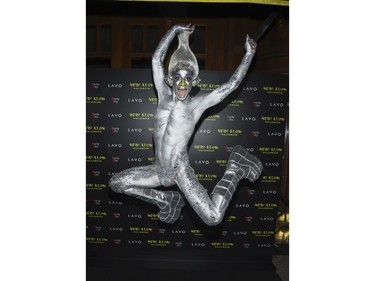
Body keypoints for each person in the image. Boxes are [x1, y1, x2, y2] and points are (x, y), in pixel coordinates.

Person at [109, 24, 262, 226]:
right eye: (178, 78)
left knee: (213, 217)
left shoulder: (196, 105)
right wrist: (173, 31)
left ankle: (235, 167)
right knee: (116, 183)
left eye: (188, 78)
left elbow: (230, 86)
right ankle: (166, 200)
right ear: (170, 79)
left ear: (194, 81)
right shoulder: (163, 95)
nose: (182, 84)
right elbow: (156, 59)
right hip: (158, 170)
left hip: (179, 170)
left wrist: (249, 55)